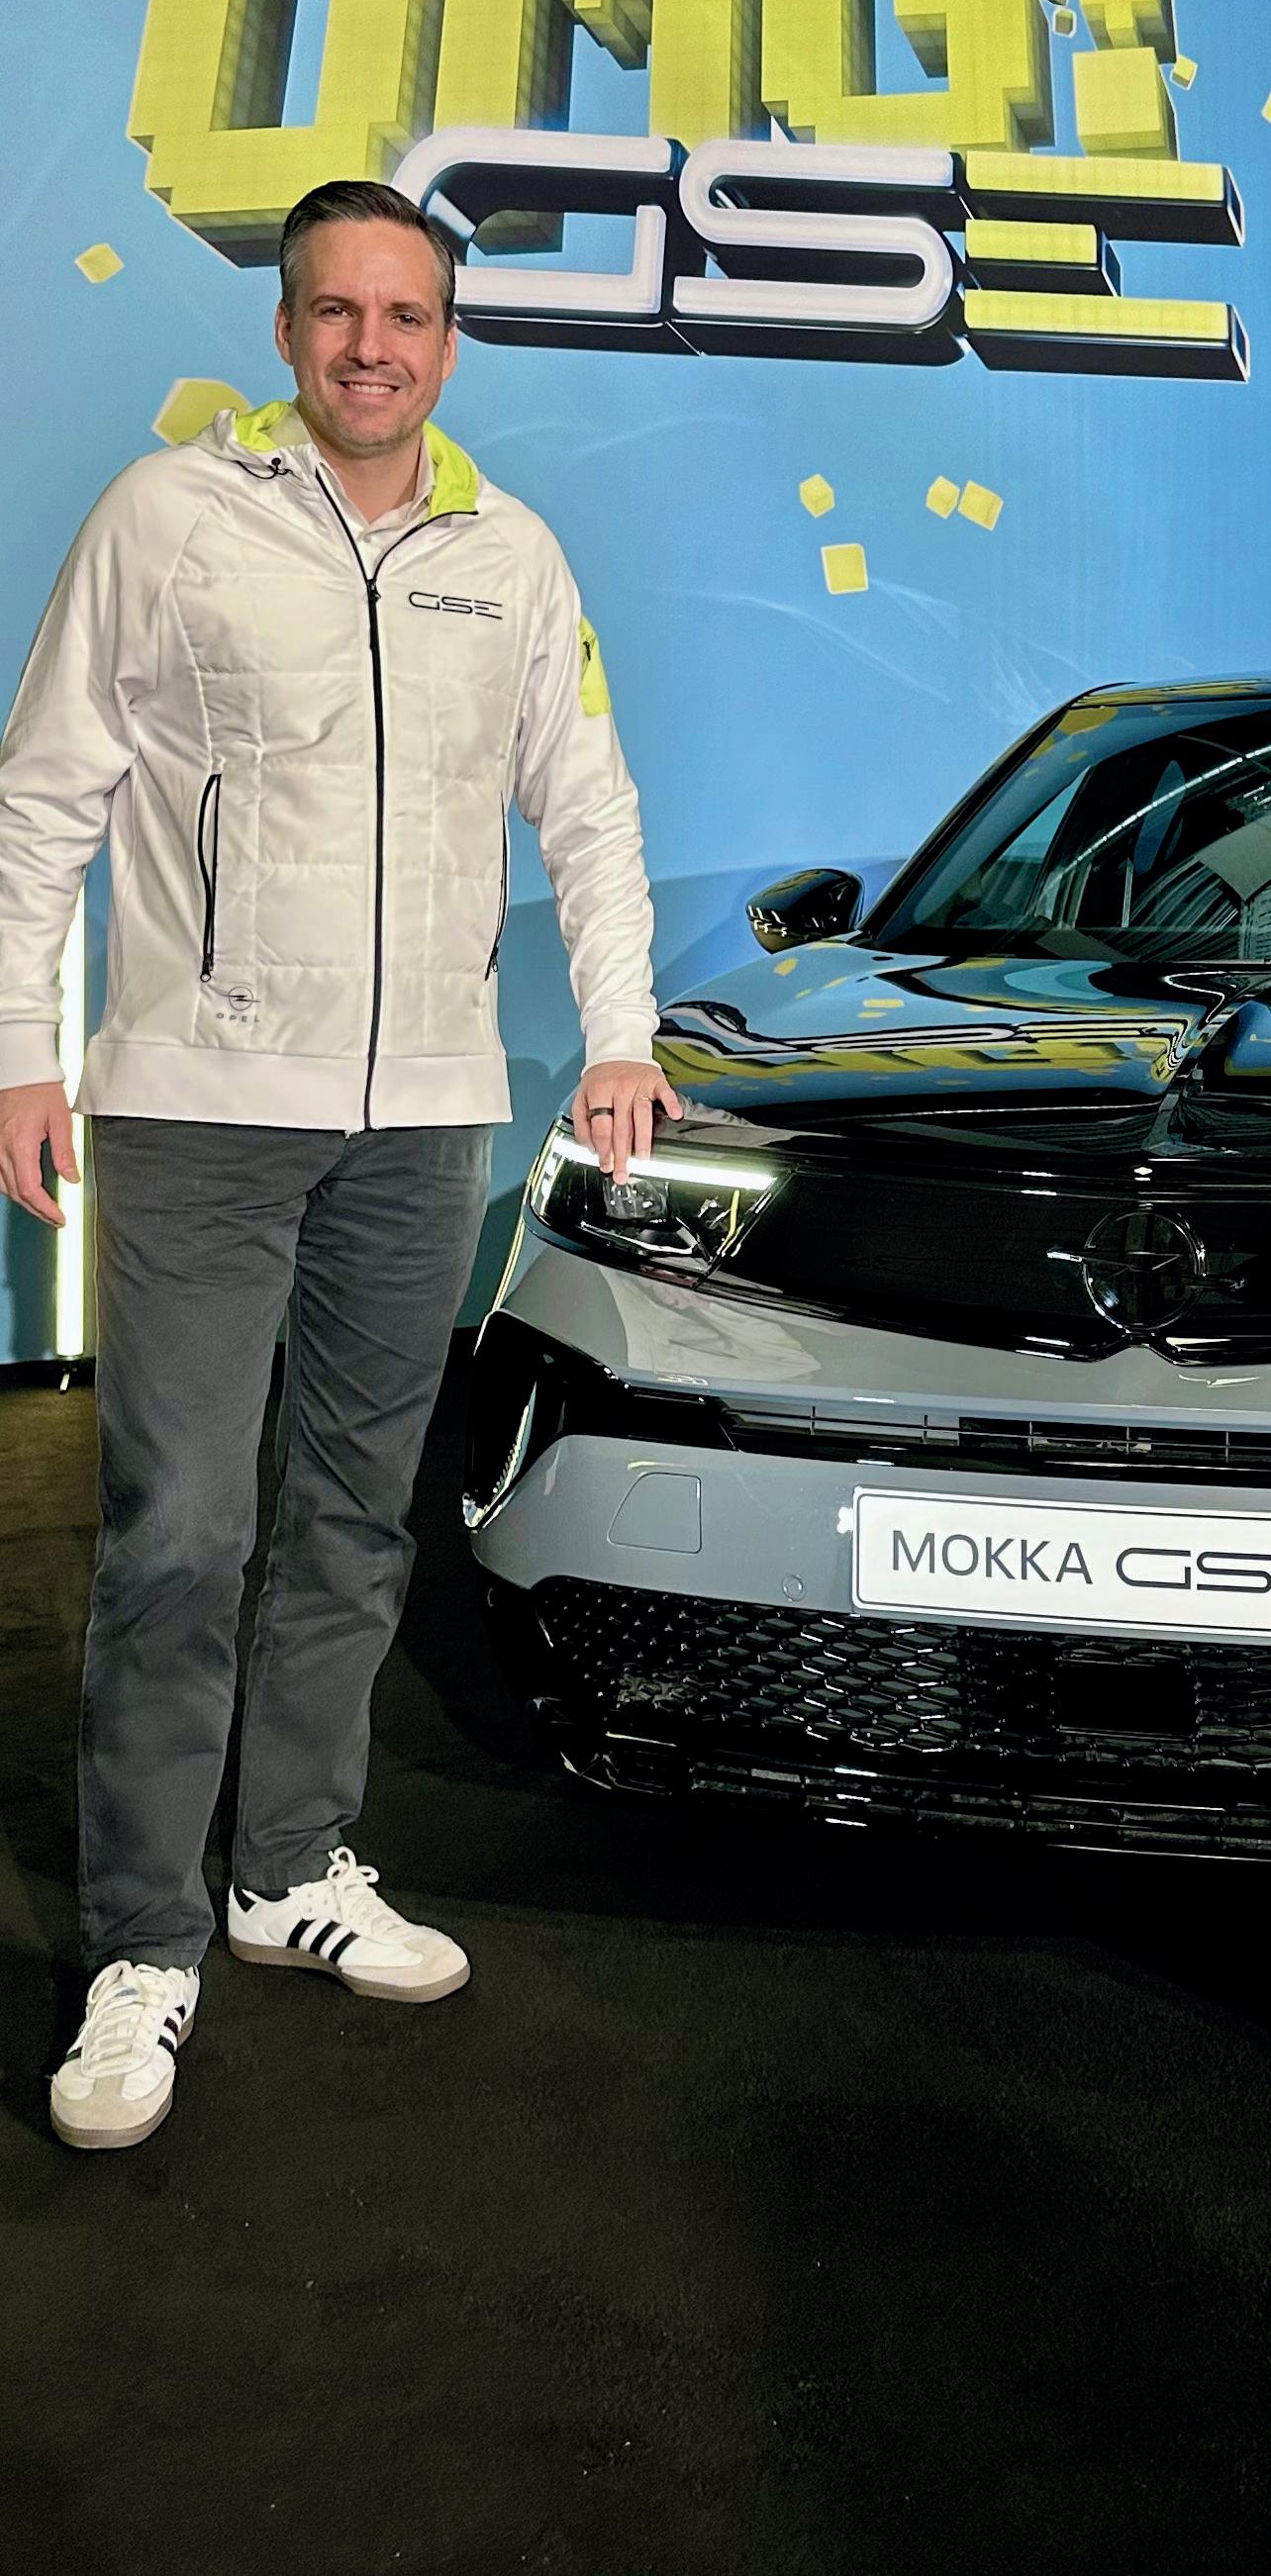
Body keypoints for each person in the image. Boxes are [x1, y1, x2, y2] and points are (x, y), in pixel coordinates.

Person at [0, 179, 682, 2150]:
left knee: (359, 1522)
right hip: (200, 1104)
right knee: (180, 1532)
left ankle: (288, 1862)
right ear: (287, 330)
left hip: (422, 1115)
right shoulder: (169, 518)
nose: (373, 347)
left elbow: (588, 806)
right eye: (337, 312)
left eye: (408, 316)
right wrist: (23, 1052)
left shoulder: (511, 556)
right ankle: (143, 1942)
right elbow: (41, 797)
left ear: (447, 341)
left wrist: (621, 1028)